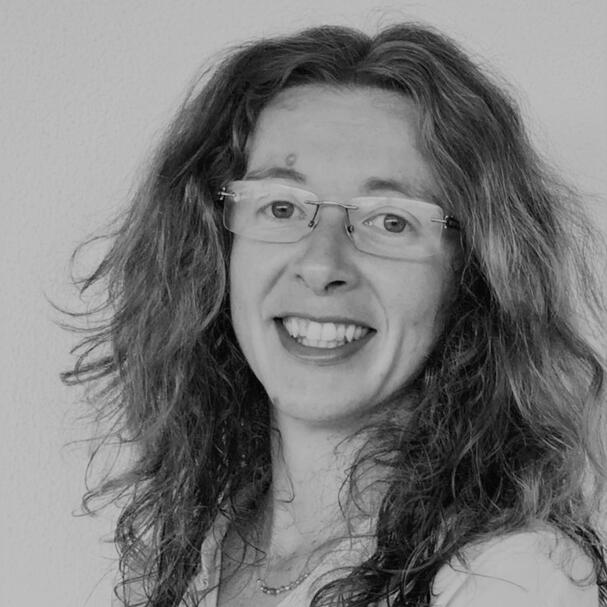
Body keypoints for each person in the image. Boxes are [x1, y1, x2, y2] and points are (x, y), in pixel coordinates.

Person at [63, 22, 607, 607]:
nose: (321, 265)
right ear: (216, 251)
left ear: (472, 275)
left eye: (391, 220)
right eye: (280, 207)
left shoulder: (508, 578)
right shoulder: (191, 546)